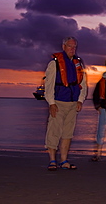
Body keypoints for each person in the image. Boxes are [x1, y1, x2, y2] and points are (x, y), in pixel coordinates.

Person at [44, 37, 87, 171]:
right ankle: (52, 160)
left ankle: (64, 160)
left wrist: (80, 100)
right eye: (70, 46)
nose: (72, 49)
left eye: (74, 47)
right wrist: (51, 103)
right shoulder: (54, 63)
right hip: (58, 102)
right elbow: (49, 84)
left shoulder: (78, 63)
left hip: (72, 103)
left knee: (68, 133)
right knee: (54, 131)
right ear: (64, 47)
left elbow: (83, 84)